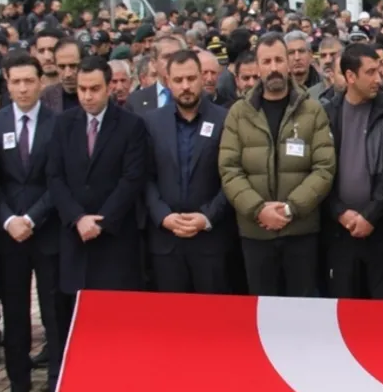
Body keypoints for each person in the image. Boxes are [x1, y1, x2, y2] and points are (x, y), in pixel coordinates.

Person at [219, 35, 336, 297]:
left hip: (301, 232)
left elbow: (324, 168)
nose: (273, 67)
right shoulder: (239, 113)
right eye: (267, 61)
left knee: (300, 310)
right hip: (255, 232)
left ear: (288, 63)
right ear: (258, 67)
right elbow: (229, 170)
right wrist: (258, 209)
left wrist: (290, 208)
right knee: (262, 313)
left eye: (278, 60)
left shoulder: (313, 111)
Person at [47, 55, 148, 355]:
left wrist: (102, 221)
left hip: (115, 238)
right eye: (82, 89)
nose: (87, 96)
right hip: (75, 235)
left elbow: (132, 179)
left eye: (94, 88)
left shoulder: (131, 126)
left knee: (117, 318)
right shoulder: (63, 124)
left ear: (108, 88)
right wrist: (77, 218)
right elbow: (54, 176)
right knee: (78, 320)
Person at [0, 52, 61, 392]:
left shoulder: (57, 123)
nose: (22, 88)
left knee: (53, 313)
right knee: (15, 316)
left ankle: (57, 385)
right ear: (6, 82)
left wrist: (32, 218)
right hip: (7, 236)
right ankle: (18, 391)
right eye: (15, 81)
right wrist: (8, 220)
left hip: (46, 232)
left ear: (40, 82)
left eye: (28, 81)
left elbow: (58, 180)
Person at [142, 50, 233, 294]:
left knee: (213, 322)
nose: (186, 86)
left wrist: (207, 217)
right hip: (166, 243)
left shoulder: (226, 120)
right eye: (179, 80)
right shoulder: (151, 123)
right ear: (167, 82)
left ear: (202, 79)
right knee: (172, 325)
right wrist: (163, 216)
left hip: (211, 242)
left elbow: (233, 178)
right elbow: (144, 178)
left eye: (191, 79)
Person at [321, 44, 383, 299]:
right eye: (371, 72)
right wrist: (339, 211)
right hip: (339, 230)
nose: (379, 79)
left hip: (379, 230)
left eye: (379, 71)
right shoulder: (327, 114)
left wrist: (371, 215)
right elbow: (319, 171)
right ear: (351, 77)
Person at [126, 35, 185, 114]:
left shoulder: (198, 96)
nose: (173, 61)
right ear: (154, 63)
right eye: (167, 57)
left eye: (177, 56)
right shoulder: (136, 100)